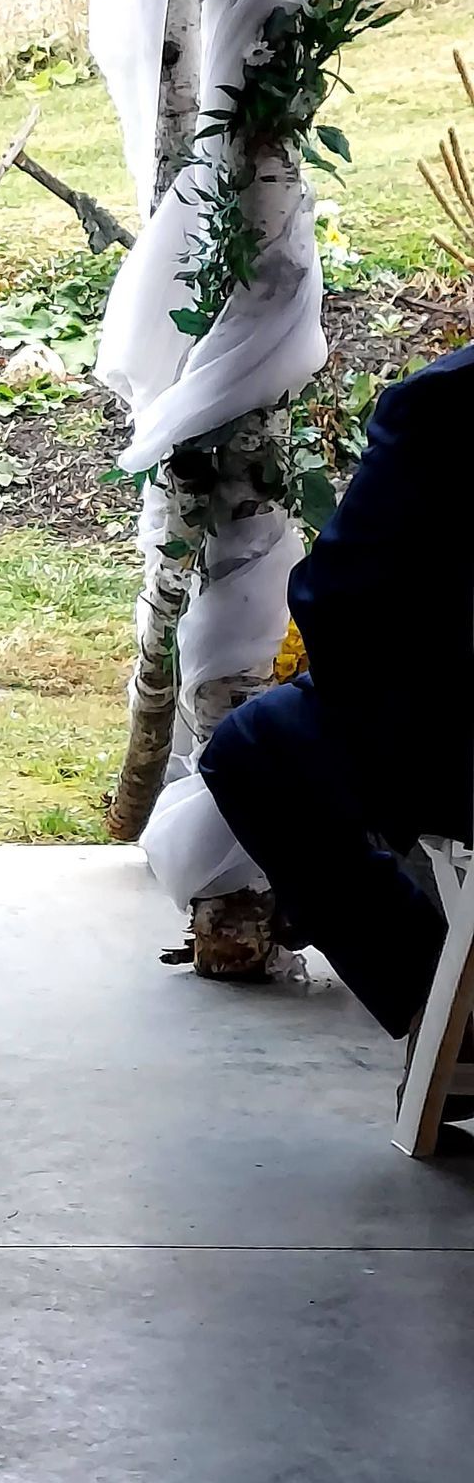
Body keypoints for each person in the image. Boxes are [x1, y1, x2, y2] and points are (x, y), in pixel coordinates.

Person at [200, 344, 474, 1077]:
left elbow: (343, 606)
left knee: (254, 747)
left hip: (456, 761)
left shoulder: (446, 403)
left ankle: (449, 1010)